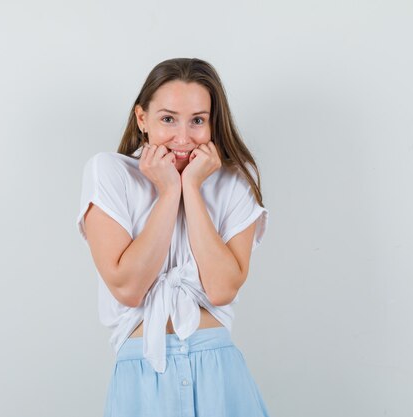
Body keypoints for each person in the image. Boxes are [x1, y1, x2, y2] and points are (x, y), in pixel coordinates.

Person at [76, 57, 271, 417]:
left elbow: (223, 288)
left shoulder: (233, 181)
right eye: (168, 119)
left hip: (219, 375)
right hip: (142, 377)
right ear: (142, 119)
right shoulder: (109, 172)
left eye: (198, 120)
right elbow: (128, 287)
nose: (183, 138)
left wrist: (191, 188)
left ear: (213, 123)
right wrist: (168, 193)